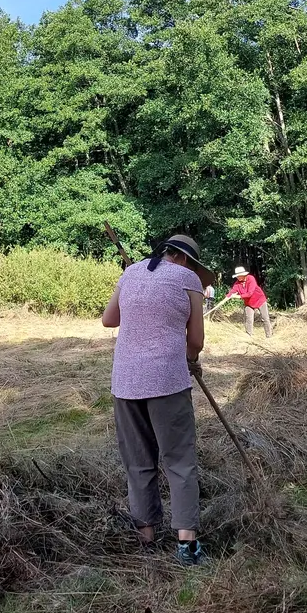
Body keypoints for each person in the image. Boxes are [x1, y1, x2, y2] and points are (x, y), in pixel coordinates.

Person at [100, 233, 212, 566]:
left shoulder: (132, 271)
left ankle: (146, 538)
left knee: (138, 462)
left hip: (126, 382)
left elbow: (109, 319)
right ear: (187, 260)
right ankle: (186, 546)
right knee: (179, 462)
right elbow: (197, 340)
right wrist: (191, 360)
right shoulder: (188, 279)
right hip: (167, 382)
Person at [227, 265, 273, 340]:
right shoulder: (237, 283)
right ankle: (248, 336)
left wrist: (238, 296)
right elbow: (232, 291)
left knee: (265, 318)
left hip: (259, 300)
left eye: (239, 276)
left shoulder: (251, 278)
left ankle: (269, 336)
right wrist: (227, 297)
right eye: (237, 276)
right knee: (249, 319)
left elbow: (250, 293)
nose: (237, 277)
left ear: (244, 274)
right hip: (249, 303)